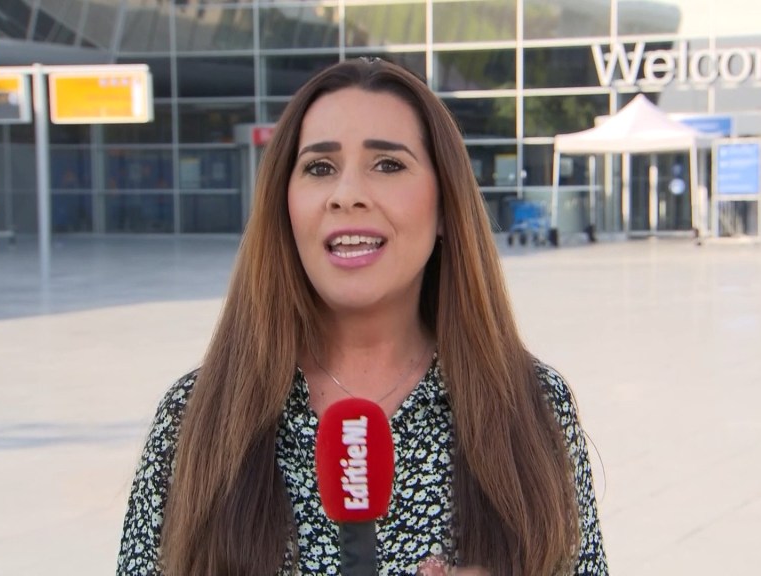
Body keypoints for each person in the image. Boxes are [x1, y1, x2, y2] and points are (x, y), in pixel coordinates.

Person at [116, 58, 607, 576]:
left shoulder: (532, 405)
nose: (346, 195)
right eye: (319, 168)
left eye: (388, 165)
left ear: (445, 205)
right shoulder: (195, 415)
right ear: (284, 205)